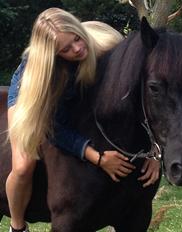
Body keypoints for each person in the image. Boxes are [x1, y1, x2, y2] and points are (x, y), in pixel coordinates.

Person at [6, 7, 160, 232]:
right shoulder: (45, 73)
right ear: (55, 53)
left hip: (75, 87)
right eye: (66, 48)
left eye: (77, 38)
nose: (78, 49)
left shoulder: (105, 45)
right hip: (31, 94)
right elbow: (54, 128)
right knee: (23, 166)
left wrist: (155, 151)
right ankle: (17, 225)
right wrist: (97, 158)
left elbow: (143, 101)